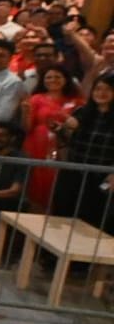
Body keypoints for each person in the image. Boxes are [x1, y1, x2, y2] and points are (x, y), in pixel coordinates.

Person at [51, 72, 114, 235]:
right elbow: (68, 140)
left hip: (100, 176)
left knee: (91, 220)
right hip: (73, 172)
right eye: (98, 89)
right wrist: (61, 129)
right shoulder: (82, 112)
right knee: (62, 214)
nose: (101, 93)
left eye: (108, 89)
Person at [21, 64, 82, 210]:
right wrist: (25, 113)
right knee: (35, 183)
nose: (53, 80)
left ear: (66, 79)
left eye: (57, 77)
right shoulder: (36, 99)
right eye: (48, 77)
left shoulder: (77, 101)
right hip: (36, 147)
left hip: (63, 149)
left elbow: (79, 126)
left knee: (57, 183)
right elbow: (26, 128)